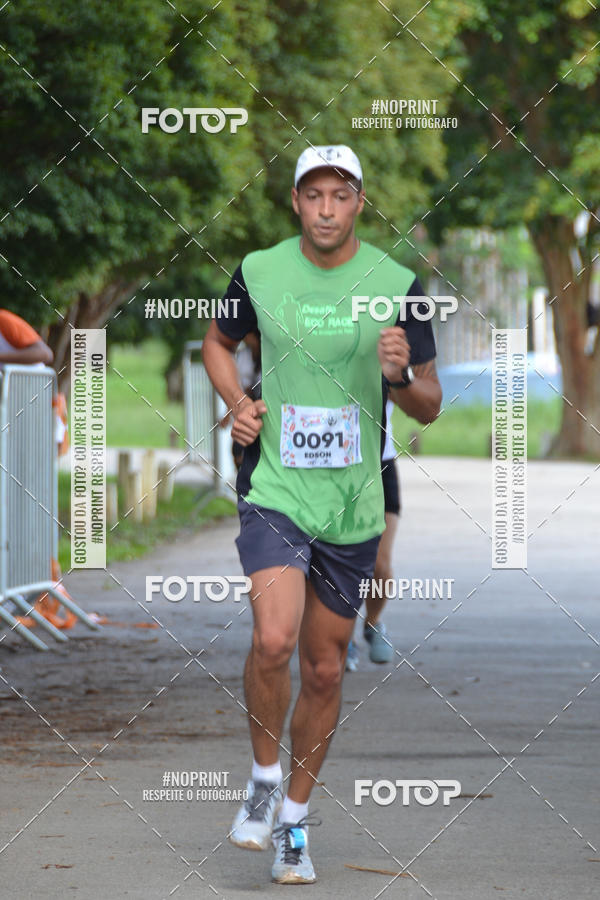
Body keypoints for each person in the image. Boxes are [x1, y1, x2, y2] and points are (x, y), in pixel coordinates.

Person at [202, 145, 441, 885]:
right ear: (296, 203)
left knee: (325, 668)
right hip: (275, 486)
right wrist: (239, 405)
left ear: (360, 204)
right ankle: (264, 776)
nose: (327, 208)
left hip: (353, 499)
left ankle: (295, 828)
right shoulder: (261, 269)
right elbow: (218, 342)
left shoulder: (398, 286)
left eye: (341, 195)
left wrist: (399, 374)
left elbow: (430, 404)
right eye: (315, 195)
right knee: (273, 641)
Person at [346, 392, 400, 670]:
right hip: (335, 464)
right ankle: (344, 637)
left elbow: (422, 403)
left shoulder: (385, 349)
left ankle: (373, 622)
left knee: (380, 564)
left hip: (380, 463)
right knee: (340, 562)